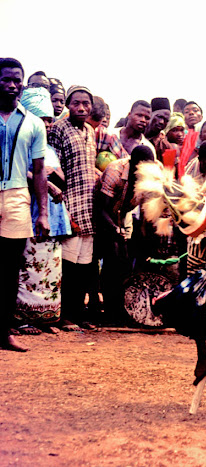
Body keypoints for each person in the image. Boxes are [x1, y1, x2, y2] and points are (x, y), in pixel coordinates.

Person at [0, 58, 50, 352]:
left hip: (18, 196)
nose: (12, 85)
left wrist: (43, 213)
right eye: (6, 79)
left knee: (9, 270)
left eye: (17, 80)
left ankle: (4, 332)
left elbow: (40, 169)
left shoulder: (32, 123)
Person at [15, 87, 72, 335]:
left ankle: (46, 318)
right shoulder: (23, 144)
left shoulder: (50, 149)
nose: (47, 125)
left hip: (53, 215)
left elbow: (59, 176)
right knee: (28, 266)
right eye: (42, 119)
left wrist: (55, 177)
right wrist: (46, 182)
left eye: (49, 119)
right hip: (31, 212)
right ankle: (22, 319)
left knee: (50, 268)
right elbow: (23, 173)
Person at [49, 85, 98, 331]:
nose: (81, 107)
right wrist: (63, 208)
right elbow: (53, 168)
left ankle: (79, 314)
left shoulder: (91, 130)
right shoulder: (58, 129)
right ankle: (64, 315)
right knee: (67, 266)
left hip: (89, 207)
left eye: (86, 103)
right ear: (68, 105)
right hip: (68, 205)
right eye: (76, 103)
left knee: (84, 266)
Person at [97, 145, 156, 325]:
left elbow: (148, 211)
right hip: (104, 213)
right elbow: (101, 208)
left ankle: (120, 308)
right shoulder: (115, 171)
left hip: (124, 214)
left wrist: (146, 240)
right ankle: (108, 310)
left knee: (124, 262)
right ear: (134, 164)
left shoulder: (152, 174)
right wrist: (115, 230)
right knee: (111, 258)